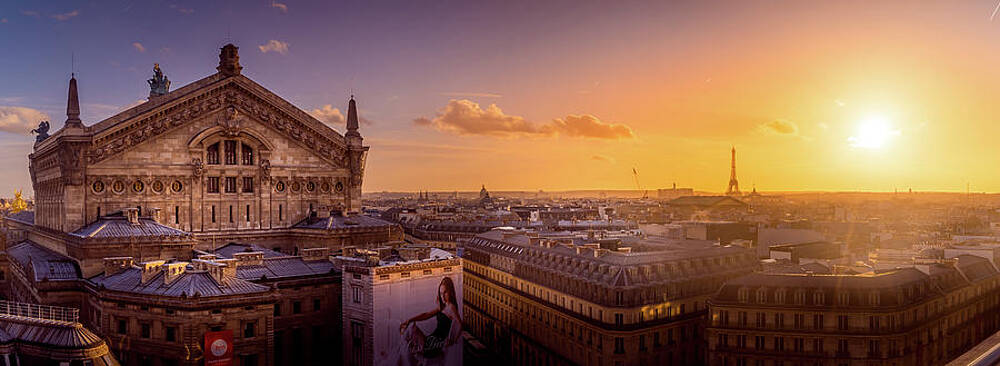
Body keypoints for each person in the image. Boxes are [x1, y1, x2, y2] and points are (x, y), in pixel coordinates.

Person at [398, 277, 461, 365]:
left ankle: (413, 355)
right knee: (411, 327)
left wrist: (453, 339)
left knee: (410, 337)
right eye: (441, 293)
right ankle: (413, 355)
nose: (443, 296)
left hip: (437, 343)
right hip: (431, 340)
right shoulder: (442, 307)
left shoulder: (451, 307)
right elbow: (426, 315)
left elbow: (459, 323)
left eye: (445, 293)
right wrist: (410, 319)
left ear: (450, 291)